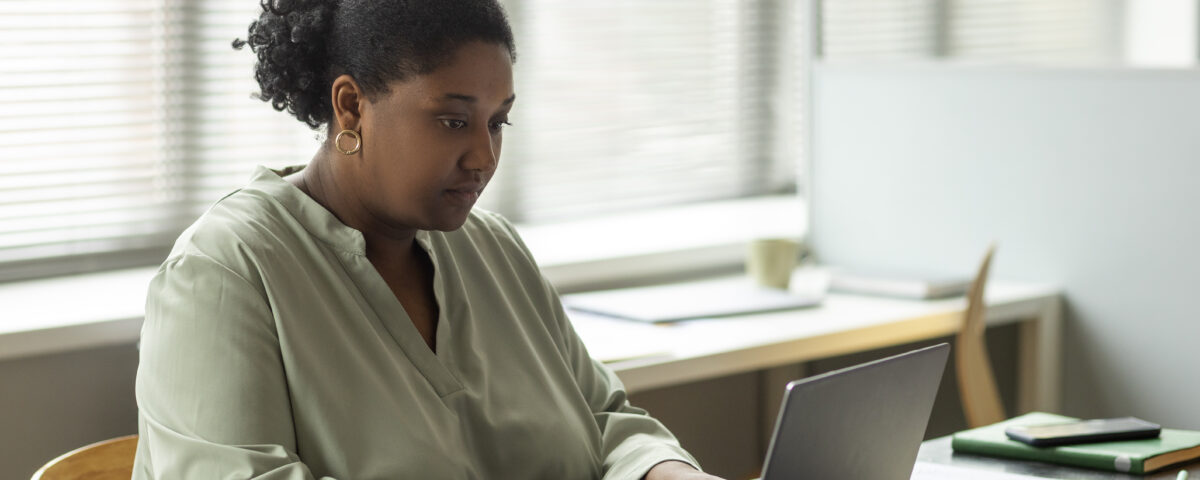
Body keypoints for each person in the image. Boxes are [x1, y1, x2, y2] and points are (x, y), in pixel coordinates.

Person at [132, 0, 723, 478]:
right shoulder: (226, 271)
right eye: (453, 121)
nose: (484, 157)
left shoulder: (494, 250)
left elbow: (604, 419)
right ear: (351, 106)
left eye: (498, 122)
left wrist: (665, 470)